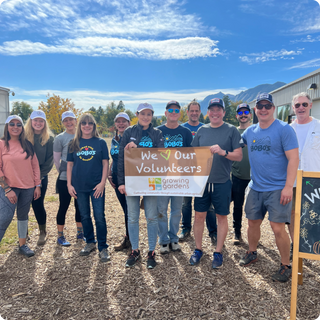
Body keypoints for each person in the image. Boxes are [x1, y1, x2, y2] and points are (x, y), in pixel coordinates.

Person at [239, 92, 299, 283]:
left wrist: (288, 186)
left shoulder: (284, 129)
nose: (263, 109)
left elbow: (293, 159)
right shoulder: (250, 131)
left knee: (277, 228)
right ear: (255, 110)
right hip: (256, 187)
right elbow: (234, 145)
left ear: (273, 109)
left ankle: (285, 265)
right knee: (252, 223)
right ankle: (252, 252)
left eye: (267, 106)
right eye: (260, 106)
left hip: (278, 188)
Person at [190, 98, 243, 268]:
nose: (215, 113)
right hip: (202, 182)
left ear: (224, 113)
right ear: (208, 113)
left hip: (222, 182)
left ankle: (218, 252)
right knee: (199, 217)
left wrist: (223, 152)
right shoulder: (201, 130)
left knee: (221, 217)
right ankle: (198, 249)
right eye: (212, 110)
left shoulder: (231, 130)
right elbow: (192, 155)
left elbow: (239, 156)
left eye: (218, 109)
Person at [118, 103, 164, 269]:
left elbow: (162, 157)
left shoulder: (157, 133)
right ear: (137, 114)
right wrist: (121, 182)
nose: (145, 117)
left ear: (152, 116)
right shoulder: (129, 132)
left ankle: (151, 251)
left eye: (149, 114)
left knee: (151, 217)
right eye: (142, 113)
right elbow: (121, 159)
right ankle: (135, 250)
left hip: (152, 180)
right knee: (132, 217)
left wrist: (138, 150)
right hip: (132, 180)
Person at [67, 113, 110, 262]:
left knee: (99, 217)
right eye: (84, 123)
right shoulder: (74, 143)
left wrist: (102, 183)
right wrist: (69, 184)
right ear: (80, 126)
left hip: (96, 186)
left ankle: (103, 247)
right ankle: (90, 242)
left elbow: (105, 163)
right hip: (79, 187)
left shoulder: (101, 142)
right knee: (84, 216)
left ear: (94, 126)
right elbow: (70, 165)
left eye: (90, 123)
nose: (87, 125)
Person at [0, 115, 41, 257]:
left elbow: (35, 166)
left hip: (28, 187)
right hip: (9, 188)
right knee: (4, 217)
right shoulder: (1, 144)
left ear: (22, 128)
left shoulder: (27, 145)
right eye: (12, 124)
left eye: (19, 124)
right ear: (7, 127)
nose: (15, 127)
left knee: (23, 216)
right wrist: (6, 188)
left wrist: (37, 185)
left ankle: (22, 245)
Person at [179, 100, 217, 243]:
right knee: (186, 203)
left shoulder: (207, 128)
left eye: (197, 111)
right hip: (186, 172)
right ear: (187, 112)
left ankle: (213, 231)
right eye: (191, 111)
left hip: (204, 173)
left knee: (209, 205)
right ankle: (186, 228)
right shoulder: (182, 129)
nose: (194, 113)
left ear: (200, 113)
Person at [157, 100, 193, 254]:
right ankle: (163, 240)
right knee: (162, 210)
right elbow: (149, 154)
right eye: (170, 110)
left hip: (179, 177)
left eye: (176, 110)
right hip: (161, 178)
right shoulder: (157, 131)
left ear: (180, 114)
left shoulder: (185, 132)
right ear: (165, 113)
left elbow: (191, 154)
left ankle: (174, 238)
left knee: (177, 211)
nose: (173, 113)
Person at [288, 92, 320, 254]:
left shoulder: (319, 126)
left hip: (314, 180)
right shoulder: (288, 130)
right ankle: (296, 244)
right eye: (297, 105)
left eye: (304, 104)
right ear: (293, 108)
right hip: (293, 180)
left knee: (314, 214)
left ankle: (314, 245)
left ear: (310, 105)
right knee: (293, 213)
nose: (301, 108)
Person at [53, 111, 83, 246]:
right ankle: (60, 235)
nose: (69, 122)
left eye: (71, 119)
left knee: (80, 206)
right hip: (65, 178)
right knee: (63, 206)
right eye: (66, 120)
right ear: (63, 123)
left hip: (81, 178)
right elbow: (57, 161)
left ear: (76, 121)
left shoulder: (83, 135)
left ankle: (80, 232)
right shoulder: (59, 138)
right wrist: (67, 173)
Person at [24, 110, 54, 245]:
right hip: (22, 176)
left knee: (37, 203)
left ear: (44, 123)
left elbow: (49, 161)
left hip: (40, 177)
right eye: (35, 120)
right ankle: (23, 232)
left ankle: (42, 231)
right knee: (23, 205)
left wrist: (38, 177)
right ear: (31, 121)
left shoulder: (49, 139)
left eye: (41, 121)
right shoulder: (22, 137)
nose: (38, 123)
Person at [108, 112, 131, 251]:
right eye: (118, 121)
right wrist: (110, 173)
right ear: (115, 124)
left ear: (129, 123)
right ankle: (129, 237)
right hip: (116, 177)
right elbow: (114, 157)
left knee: (130, 210)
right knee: (125, 209)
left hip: (129, 178)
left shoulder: (132, 139)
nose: (121, 124)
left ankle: (130, 240)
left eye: (124, 121)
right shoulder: (114, 139)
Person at [231, 103, 251, 245]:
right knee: (237, 205)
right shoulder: (233, 132)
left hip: (255, 177)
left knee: (254, 209)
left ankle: (254, 234)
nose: (243, 115)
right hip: (237, 175)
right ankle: (237, 232)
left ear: (250, 114)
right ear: (237, 115)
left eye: (246, 112)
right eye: (240, 112)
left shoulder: (257, 130)